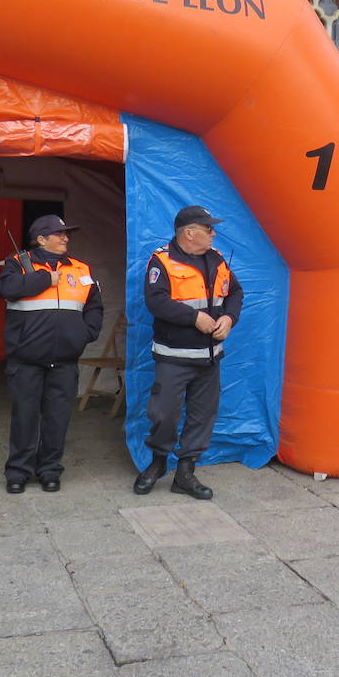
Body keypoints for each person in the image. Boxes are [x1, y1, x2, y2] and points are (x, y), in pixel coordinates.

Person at [133, 205, 243, 500]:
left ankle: (185, 472)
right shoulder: (162, 261)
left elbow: (235, 293)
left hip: (209, 358)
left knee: (202, 416)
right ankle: (157, 465)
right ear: (189, 233)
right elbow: (156, 301)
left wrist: (229, 319)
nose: (213, 234)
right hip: (174, 357)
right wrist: (194, 318)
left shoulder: (217, 260)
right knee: (163, 414)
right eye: (208, 229)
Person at [0, 214, 103, 494]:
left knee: (58, 419)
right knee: (25, 418)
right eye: (59, 233)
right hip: (26, 359)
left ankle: (49, 471)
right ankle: (18, 472)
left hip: (65, 360)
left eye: (67, 233)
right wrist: (45, 278)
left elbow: (94, 306)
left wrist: (85, 333)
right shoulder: (18, 264)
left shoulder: (81, 269)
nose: (66, 237)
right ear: (41, 239)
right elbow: (6, 289)